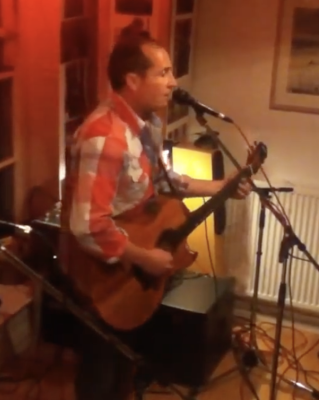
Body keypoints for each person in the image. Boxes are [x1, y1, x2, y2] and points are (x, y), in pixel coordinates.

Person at [59, 22, 252, 400]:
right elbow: (88, 225)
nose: (173, 82)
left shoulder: (145, 126)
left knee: (123, 365)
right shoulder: (105, 138)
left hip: (129, 269)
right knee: (100, 374)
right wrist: (143, 257)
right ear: (132, 80)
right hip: (102, 277)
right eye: (162, 73)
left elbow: (162, 182)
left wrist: (222, 187)